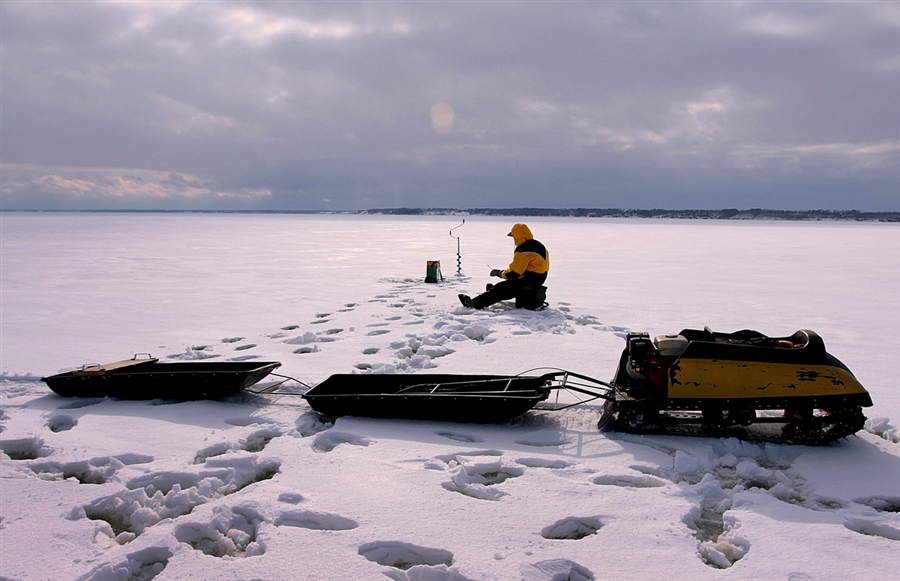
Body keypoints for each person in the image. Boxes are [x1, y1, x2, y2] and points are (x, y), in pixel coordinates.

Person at [458, 223, 549, 310]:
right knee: (508, 286)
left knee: (501, 288)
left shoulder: (523, 250)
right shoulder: (538, 245)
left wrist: (500, 273)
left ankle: (475, 303)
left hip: (528, 280)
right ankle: (494, 292)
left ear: (517, 236)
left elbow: (514, 273)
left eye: (513, 236)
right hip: (539, 278)